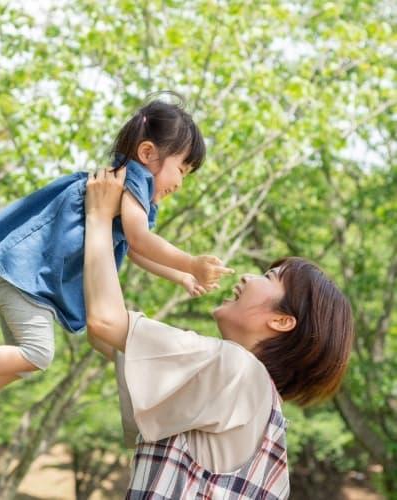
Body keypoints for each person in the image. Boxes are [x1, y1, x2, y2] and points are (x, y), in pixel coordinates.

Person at [0, 93, 233, 461]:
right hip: (22, 280)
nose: (181, 182)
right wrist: (191, 262)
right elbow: (140, 239)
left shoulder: (126, 189)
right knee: (38, 353)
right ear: (148, 154)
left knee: (21, 363)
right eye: (182, 168)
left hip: (14, 278)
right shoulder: (133, 180)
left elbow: (134, 250)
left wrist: (179, 276)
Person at [83, 168, 354, 498]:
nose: (247, 278)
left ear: (283, 321)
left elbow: (105, 323)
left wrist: (98, 217)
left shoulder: (235, 369)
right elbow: (104, 332)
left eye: (269, 276)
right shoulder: (261, 408)